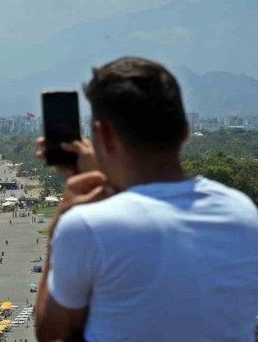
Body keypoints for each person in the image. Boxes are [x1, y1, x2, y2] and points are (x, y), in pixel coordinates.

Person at [34, 57, 258, 342]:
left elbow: (51, 333)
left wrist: (59, 227)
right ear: (186, 130)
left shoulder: (86, 226)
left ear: (104, 135)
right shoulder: (242, 212)